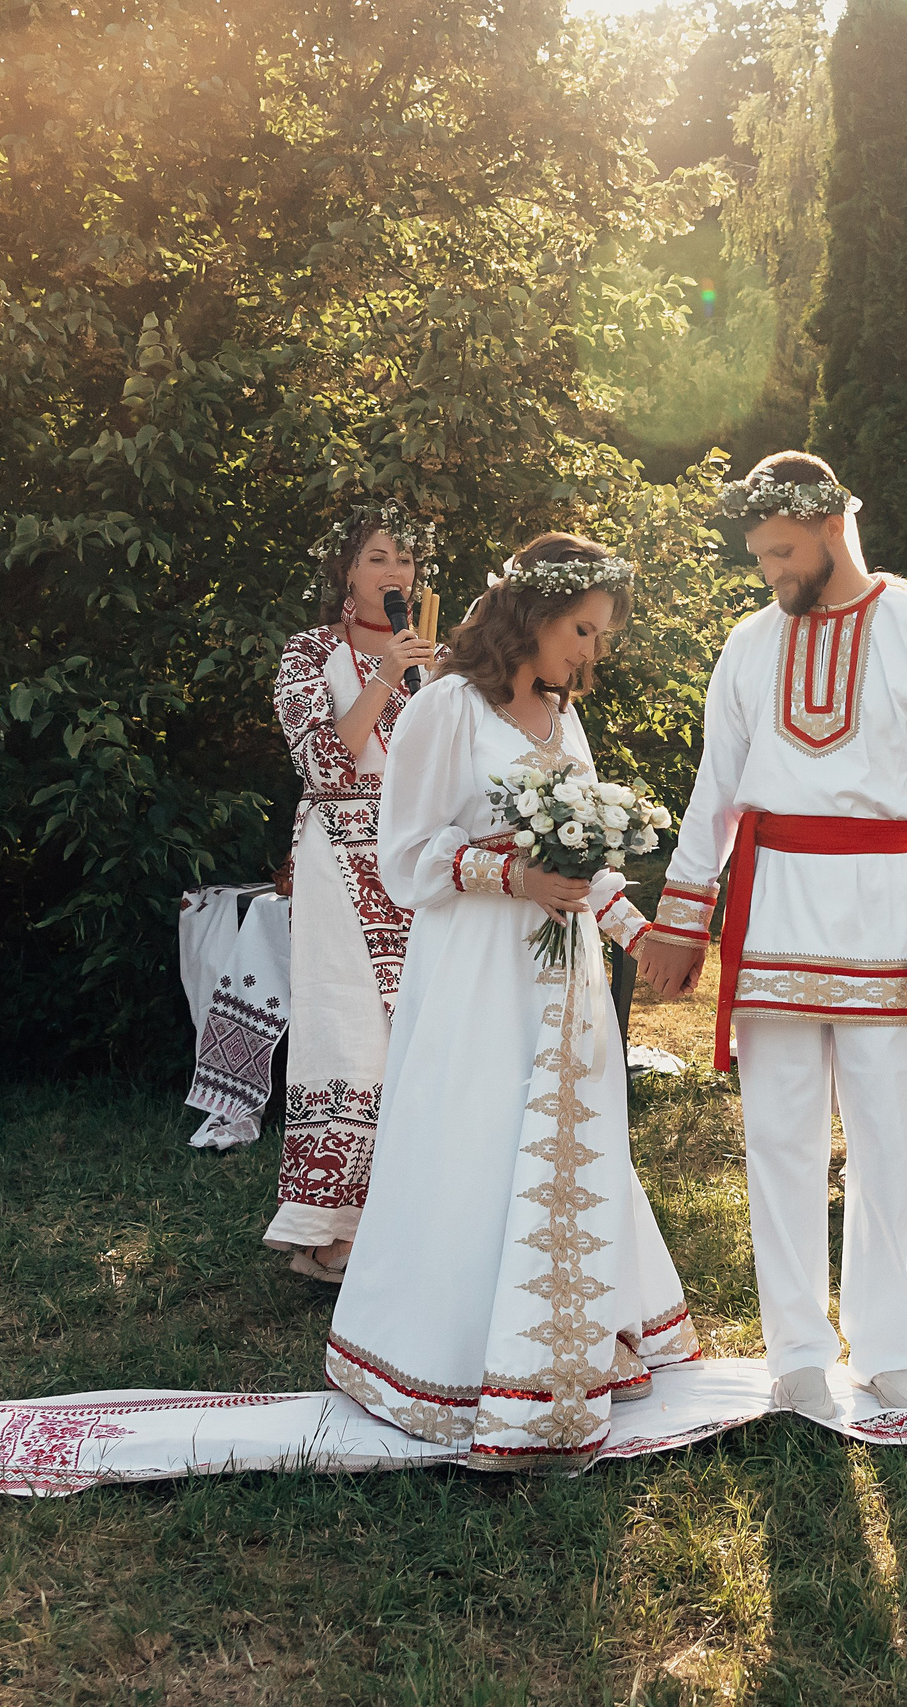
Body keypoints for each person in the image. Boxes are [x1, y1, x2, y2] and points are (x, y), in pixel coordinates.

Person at [325, 533, 695, 1470]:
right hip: (477, 969)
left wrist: (638, 934)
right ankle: (451, 1358)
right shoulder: (448, 707)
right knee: (479, 1136)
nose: (591, 652)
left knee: (569, 1137)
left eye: (601, 635)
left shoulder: (563, 720)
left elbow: (586, 857)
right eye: (584, 629)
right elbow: (404, 855)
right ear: (532, 613)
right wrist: (511, 875)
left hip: (562, 978)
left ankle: (566, 1342)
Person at [636, 451, 907, 1420]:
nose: (771, 572)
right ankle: (794, 1350)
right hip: (777, 914)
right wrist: (682, 916)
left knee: (882, 1143)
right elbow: (715, 788)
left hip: (888, 915)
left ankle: (882, 1346)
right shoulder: (748, 644)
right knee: (778, 1138)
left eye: (783, 551)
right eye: (760, 556)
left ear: (834, 527)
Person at [259, 503, 441, 1282]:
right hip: (339, 853)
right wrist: (390, 674)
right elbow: (329, 763)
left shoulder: (442, 661)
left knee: (425, 1034)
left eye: (404, 559)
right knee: (349, 1034)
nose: (394, 572)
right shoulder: (308, 654)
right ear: (345, 571)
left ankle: (417, 1220)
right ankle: (326, 1233)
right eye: (376, 557)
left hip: (424, 860)